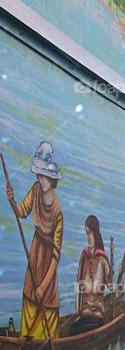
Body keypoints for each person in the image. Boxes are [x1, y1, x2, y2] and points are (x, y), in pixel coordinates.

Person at [5, 141, 63, 339]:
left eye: (44, 175)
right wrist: (12, 201)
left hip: (48, 263)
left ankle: (43, 342)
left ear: (52, 178)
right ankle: (26, 341)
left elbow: (56, 256)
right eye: (38, 174)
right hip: (35, 252)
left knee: (44, 299)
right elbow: (22, 212)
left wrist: (43, 286)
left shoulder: (57, 211)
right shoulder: (35, 190)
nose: (41, 179)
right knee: (30, 295)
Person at [70, 215, 112, 336]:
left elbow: (109, 286)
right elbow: (79, 284)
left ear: (95, 233)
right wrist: (77, 310)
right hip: (83, 315)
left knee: (84, 330)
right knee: (72, 330)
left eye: (89, 233)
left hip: (96, 316)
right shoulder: (84, 255)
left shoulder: (103, 259)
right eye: (86, 233)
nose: (88, 237)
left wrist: (112, 264)